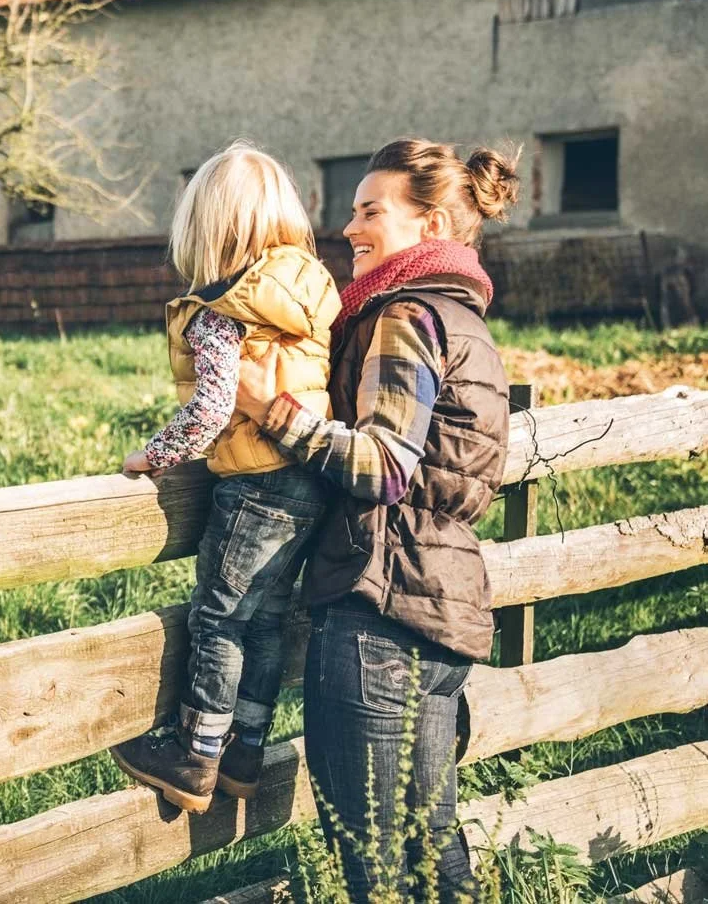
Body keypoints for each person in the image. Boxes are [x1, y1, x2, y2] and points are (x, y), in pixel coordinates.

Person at [236, 138, 519, 901]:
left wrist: (276, 415)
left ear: (429, 227)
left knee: (375, 864)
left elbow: (385, 466)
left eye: (370, 211)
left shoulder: (406, 315)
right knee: (429, 846)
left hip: (377, 611)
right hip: (436, 607)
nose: (348, 226)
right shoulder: (464, 320)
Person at [111, 140, 342, 814]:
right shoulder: (305, 288)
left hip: (254, 481)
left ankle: (194, 757)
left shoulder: (223, 308)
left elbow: (213, 406)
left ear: (206, 227)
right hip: (309, 477)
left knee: (217, 621)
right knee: (264, 622)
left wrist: (153, 454)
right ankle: (244, 750)